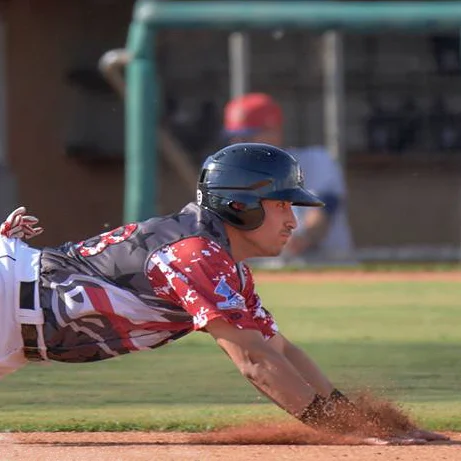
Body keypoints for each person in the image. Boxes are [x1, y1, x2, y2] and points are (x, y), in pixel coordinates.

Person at [0, 143, 445, 443]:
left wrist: (361, 420)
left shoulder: (224, 266)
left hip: (15, 329)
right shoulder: (194, 254)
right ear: (241, 206)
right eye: (282, 205)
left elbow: (278, 351)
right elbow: (255, 364)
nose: (293, 220)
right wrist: (338, 432)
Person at [223, 92, 355, 266]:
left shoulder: (316, 161)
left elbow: (322, 216)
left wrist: (301, 239)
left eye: (247, 136)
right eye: (234, 138)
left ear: (274, 132)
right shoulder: (230, 180)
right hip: (273, 279)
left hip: (327, 268)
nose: (238, 144)